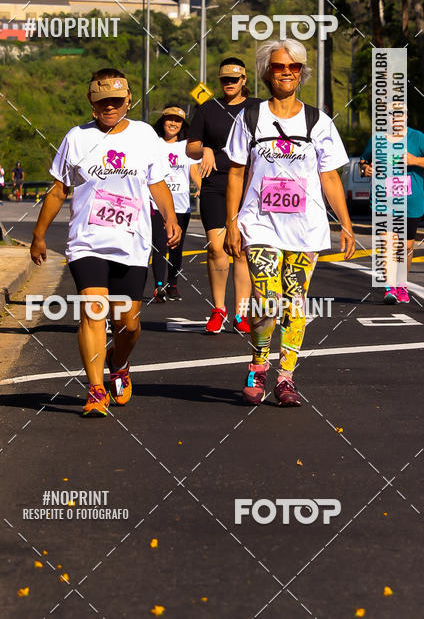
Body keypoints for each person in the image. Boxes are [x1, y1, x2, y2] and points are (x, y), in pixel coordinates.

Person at [30, 69, 181, 417]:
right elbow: (58, 190)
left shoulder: (144, 136)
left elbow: (157, 183)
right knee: (93, 312)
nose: (109, 108)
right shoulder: (76, 138)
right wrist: (38, 236)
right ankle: (96, 389)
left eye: (116, 102)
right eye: (102, 103)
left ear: (128, 100)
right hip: (88, 241)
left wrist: (170, 218)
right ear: (91, 103)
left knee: (128, 324)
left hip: (132, 242)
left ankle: (119, 361)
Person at [224, 39, 355, 406]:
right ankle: (259, 364)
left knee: (294, 303)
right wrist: (232, 223)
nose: (287, 72)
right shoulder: (250, 117)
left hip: (306, 227)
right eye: (280, 66)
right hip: (260, 223)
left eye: (294, 67)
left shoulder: (318, 121)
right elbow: (236, 173)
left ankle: (285, 378)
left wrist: (345, 223)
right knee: (267, 301)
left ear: (301, 73)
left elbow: (330, 177)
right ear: (267, 72)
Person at [187, 58, 259, 334]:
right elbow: (191, 147)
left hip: (247, 183)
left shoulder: (257, 108)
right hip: (215, 183)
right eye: (224, 80)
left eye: (234, 79)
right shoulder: (208, 108)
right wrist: (203, 151)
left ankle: (241, 313)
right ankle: (218, 309)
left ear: (244, 80)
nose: (229, 83)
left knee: (240, 250)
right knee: (216, 247)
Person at [360, 105, 424, 305]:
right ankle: (390, 289)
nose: (396, 117)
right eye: (391, 114)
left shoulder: (417, 138)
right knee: (388, 244)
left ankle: (401, 284)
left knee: (405, 248)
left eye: (400, 113)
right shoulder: (377, 140)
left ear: (406, 115)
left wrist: (415, 160)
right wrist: (365, 169)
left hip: (409, 202)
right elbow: (363, 161)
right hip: (382, 201)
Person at [151, 106, 201, 302]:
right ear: (162, 121)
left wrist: (201, 186)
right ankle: (159, 286)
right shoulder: (153, 143)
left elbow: (194, 171)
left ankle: (173, 284)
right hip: (157, 203)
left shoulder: (186, 146)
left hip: (180, 204)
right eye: (169, 119)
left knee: (176, 247)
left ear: (182, 125)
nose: (173, 123)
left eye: (177, 121)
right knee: (160, 244)